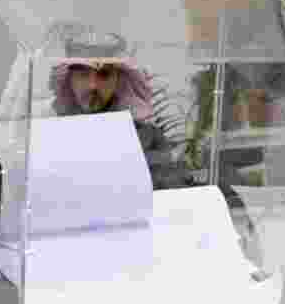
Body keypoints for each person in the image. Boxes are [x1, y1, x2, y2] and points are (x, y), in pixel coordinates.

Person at [45, 27, 185, 189]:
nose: (93, 86)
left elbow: (167, 195)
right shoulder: (48, 133)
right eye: (82, 74)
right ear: (68, 78)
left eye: (104, 75)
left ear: (119, 79)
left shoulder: (149, 138)